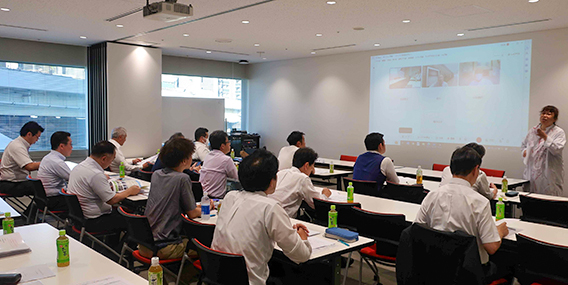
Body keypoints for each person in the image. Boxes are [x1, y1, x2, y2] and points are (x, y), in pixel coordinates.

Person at [211, 149, 312, 285]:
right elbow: (301, 255)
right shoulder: (270, 207)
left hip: (218, 276)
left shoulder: (230, 197)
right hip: (249, 280)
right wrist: (302, 238)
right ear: (272, 181)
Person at [415, 147, 510, 282]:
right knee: (508, 262)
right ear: (475, 170)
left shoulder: (432, 195)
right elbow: (492, 247)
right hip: (469, 274)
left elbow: (417, 229)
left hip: (435, 266)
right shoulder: (480, 202)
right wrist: (499, 232)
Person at [141, 138, 209, 259]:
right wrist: (206, 208)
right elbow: (192, 214)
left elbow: (172, 203)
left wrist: (197, 207)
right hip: (165, 247)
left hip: (145, 243)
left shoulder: (157, 174)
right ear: (184, 161)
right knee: (206, 245)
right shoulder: (182, 178)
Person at [67, 141, 140, 235]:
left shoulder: (80, 166)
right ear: (104, 158)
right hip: (94, 221)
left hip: (79, 218)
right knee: (135, 222)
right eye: (112, 160)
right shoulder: (95, 174)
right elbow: (112, 200)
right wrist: (129, 191)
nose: (111, 163)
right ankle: (119, 248)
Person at [268, 147, 331, 218]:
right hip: (285, 218)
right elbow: (315, 204)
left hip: (269, 213)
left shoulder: (281, 173)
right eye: (312, 166)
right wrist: (325, 195)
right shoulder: (302, 178)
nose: (312, 170)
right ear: (306, 165)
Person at [522, 105, 566, 196]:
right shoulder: (533, 130)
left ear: (554, 119)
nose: (545, 116)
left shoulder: (559, 132)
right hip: (532, 173)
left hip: (549, 174)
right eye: (543, 113)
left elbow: (557, 149)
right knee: (530, 201)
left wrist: (545, 137)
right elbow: (524, 145)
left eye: (549, 114)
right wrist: (525, 151)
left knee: (548, 204)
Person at [0, 121, 44, 196]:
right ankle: (41, 207)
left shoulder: (20, 144)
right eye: (37, 137)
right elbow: (29, 166)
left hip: (14, 182)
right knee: (41, 187)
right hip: (10, 184)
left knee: (40, 185)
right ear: (29, 134)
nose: (37, 140)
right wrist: (46, 163)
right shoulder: (17, 146)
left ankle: (36, 207)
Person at [36, 131, 73, 211]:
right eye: (70, 144)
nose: (72, 147)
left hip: (44, 199)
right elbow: (75, 178)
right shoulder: (57, 162)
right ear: (62, 146)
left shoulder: (48, 157)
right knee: (83, 201)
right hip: (53, 200)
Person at [199, 130, 238, 199]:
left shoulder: (208, 156)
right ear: (222, 146)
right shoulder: (226, 160)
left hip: (203, 196)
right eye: (228, 142)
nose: (230, 144)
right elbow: (236, 177)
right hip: (216, 198)